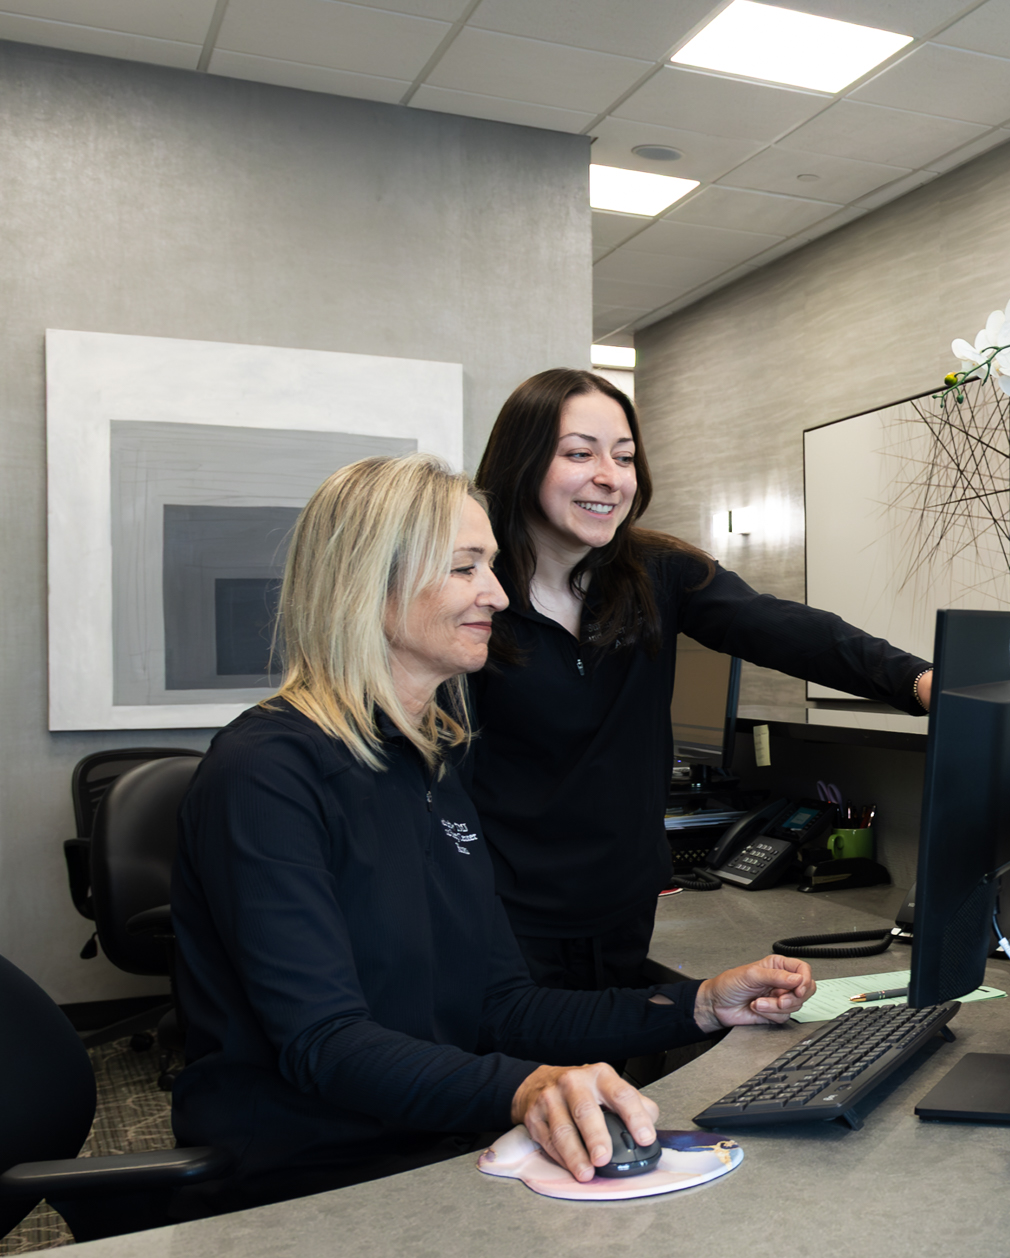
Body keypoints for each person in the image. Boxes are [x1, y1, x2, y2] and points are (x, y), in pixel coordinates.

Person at [170, 453, 816, 1210]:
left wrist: (701, 1004)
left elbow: (502, 1005)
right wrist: (525, 1087)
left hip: (432, 1145)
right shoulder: (266, 773)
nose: (498, 594)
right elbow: (324, 1041)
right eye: (465, 568)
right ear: (366, 583)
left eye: (493, 565)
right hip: (306, 1184)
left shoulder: (431, 764)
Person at [467, 369, 933, 989]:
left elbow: (785, 629)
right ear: (520, 462)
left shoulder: (657, 573)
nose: (610, 477)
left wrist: (920, 681)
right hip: (503, 914)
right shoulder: (473, 596)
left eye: (624, 457)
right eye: (580, 454)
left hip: (624, 905)